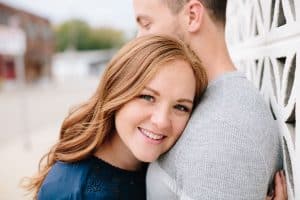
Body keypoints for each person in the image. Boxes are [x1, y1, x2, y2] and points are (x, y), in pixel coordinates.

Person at [24, 35, 207, 199]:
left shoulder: (161, 170)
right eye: (147, 97)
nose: (162, 121)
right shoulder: (69, 190)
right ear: (116, 91)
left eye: (180, 107)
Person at [133, 0, 284, 199]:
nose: (138, 39)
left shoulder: (226, 133)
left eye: (146, 25)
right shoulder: (193, 99)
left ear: (192, 16)